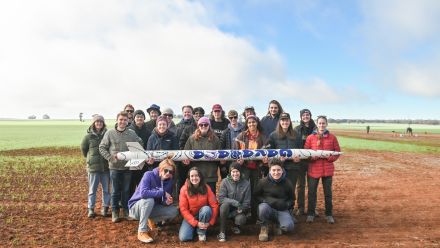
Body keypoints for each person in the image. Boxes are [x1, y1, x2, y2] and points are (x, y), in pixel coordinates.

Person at [99, 111, 143, 223]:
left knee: (126, 190)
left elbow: (140, 143)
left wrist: (135, 151)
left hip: (127, 167)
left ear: (128, 121)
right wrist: (110, 158)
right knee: (115, 190)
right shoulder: (110, 133)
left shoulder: (131, 133)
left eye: (125, 120)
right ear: (117, 120)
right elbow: (102, 147)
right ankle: (115, 212)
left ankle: (126, 211)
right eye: (120, 120)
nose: (122, 122)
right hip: (114, 167)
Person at [128, 158, 179, 243]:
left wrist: (166, 202)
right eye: (166, 170)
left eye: (171, 172)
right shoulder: (148, 174)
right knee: (149, 200)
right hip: (136, 207)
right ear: (160, 169)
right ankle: (142, 231)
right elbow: (143, 193)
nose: (168, 173)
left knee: (173, 211)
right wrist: (162, 192)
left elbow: (162, 201)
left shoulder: (169, 181)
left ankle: (150, 219)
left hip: (151, 207)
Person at [304, 115, 341, 224]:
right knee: (311, 193)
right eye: (319, 123)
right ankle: (311, 214)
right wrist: (311, 157)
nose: (321, 125)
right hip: (313, 169)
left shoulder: (332, 137)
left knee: (328, 193)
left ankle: (329, 214)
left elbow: (337, 152)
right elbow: (306, 153)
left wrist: (330, 158)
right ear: (317, 124)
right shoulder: (310, 137)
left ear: (326, 124)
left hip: (327, 170)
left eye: (323, 123)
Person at [267, 112, 301, 223]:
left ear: (290, 121)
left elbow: (301, 151)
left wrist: (298, 159)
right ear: (279, 122)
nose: (285, 122)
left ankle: (290, 212)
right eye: (282, 120)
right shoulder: (273, 135)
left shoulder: (296, 134)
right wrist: (277, 160)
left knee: (290, 191)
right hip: (279, 169)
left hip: (293, 168)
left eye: (287, 120)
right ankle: (277, 213)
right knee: (279, 191)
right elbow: (268, 152)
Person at [236, 115, 268, 220]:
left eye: (253, 122)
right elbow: (235, 151)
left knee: (256, 190)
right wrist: (238, 160)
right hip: (244, 167)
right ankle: (242, 213)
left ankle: (255, 214)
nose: (251, 124)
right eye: (249, 123)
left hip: (257, 168)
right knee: (243, 189)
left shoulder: (263, 137)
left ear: (257, 123)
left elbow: (267, 152)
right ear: (246, 124)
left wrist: (264, 161)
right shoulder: (241, 136)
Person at [254, 158, 295, 242]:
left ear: (282, 170)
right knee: (263, 208)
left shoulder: (287, 183)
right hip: (268, 208)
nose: (276, 173)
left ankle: (277, 223)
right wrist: (265, 201)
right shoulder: (262, 182)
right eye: (274, 170)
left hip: (282, 210)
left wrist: (286, 205)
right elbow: (256, 196)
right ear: (269, 171)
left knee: (289, 227)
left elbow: (292, 199)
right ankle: (264, 226)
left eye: (278, 170)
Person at [183, 117, 223, 194]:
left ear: (209, 126)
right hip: (195, 176)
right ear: (198, 126)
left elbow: (220, 158)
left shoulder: (215, 139)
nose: (203, 126)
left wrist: (222, 161)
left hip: (210, 175)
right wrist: (185, 162)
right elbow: (185, 155)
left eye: (206, 124)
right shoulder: (191, 139)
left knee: (211, 200)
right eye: (201, 125)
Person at [80, 114, 110, 218]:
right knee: (92, 190)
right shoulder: (87, 137)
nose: (99, 123)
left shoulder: (107, 135)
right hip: (93, 168)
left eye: (101, 122)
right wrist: (90, 160)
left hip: (106, 167)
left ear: (103, 123)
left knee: (106, 189)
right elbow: (84, 151)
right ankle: (91, 209)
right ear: (93, 123)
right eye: (97, 122)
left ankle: (105, 208)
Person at [179, 167, 219, 242]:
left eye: (197, 175)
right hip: (191, 216)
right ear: (189, 178)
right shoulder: (184, 189)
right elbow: (183, 209)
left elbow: (214, 205)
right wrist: (196, 223)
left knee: (206, 209)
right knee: (184, 237)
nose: (194, 178)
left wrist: (211, 222)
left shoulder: (206, 187)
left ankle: (201, 233)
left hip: (203, 214)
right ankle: (195, 228)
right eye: (192, 176)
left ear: (200, 177)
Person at [217, 162, 251, 242]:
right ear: (230, 172)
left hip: (238, 210)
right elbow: (221, 198)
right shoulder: (224, 181)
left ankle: (235, 226)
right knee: (224, 206)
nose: (235, 174)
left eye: (237, 171)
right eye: (233, 171)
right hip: (227, 208)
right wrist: (234, 202)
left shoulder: (246, 184)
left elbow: (247, 202)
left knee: (241, 219)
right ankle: (222, 232)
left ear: (240, 172)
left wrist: (239, 210)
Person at [293, 109, 316, 216]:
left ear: (310, 116)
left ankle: (312, 208)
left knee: (312, 186)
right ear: (301, 117)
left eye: (307, 115)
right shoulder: (297, 129)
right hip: (300, 163)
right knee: (300, 186)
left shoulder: (316, 129)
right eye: (303, 115)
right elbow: (294, 144)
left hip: (313, 162)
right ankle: (300, 208)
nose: (305, 116)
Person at [177, 106, 204, 197]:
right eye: (196, 114)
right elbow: (181, 142)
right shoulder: (186, 128)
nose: (198, 116)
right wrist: (183, 156)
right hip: (186, 160)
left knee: (197, 181)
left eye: (200, 114)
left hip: (200, 161)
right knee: (184, 180)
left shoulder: (205, 127)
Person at [128, 110, 152, 197]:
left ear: (144, 118)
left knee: (142, 183)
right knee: (131, 184)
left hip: (144, 161)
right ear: (134, 118)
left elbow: (149, 145)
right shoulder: (129, 130)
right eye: (137, 116)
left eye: (141, 117)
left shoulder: (148, 131)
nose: (139, 118)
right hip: (132, 160)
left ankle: (141, 200)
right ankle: (130, 203)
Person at [219, 109, 244, 179]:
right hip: (229, 160)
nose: (233, 119)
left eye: (235, 117)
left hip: (241, 159)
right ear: (228, 118)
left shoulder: (243, 130)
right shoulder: (225, 132)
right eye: (231, 117)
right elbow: (221, 146)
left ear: (237, 117)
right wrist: (223, 159)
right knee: (228, 179)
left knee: (241, 179)